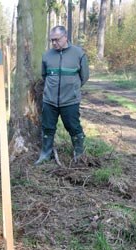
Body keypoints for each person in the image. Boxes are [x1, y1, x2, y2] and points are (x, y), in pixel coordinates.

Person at [35, 25, 89, 165]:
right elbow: (44, 75)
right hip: (50, 101)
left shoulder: (78, 53)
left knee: (73, 127)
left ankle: (79, 153)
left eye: (56, 40)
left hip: (70, 100)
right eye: (51, 40)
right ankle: (45, 154)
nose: (54, 43)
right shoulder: (47, 55)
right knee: (47, 127)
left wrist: (72, 89)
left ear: (65, 37)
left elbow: (84, 77)